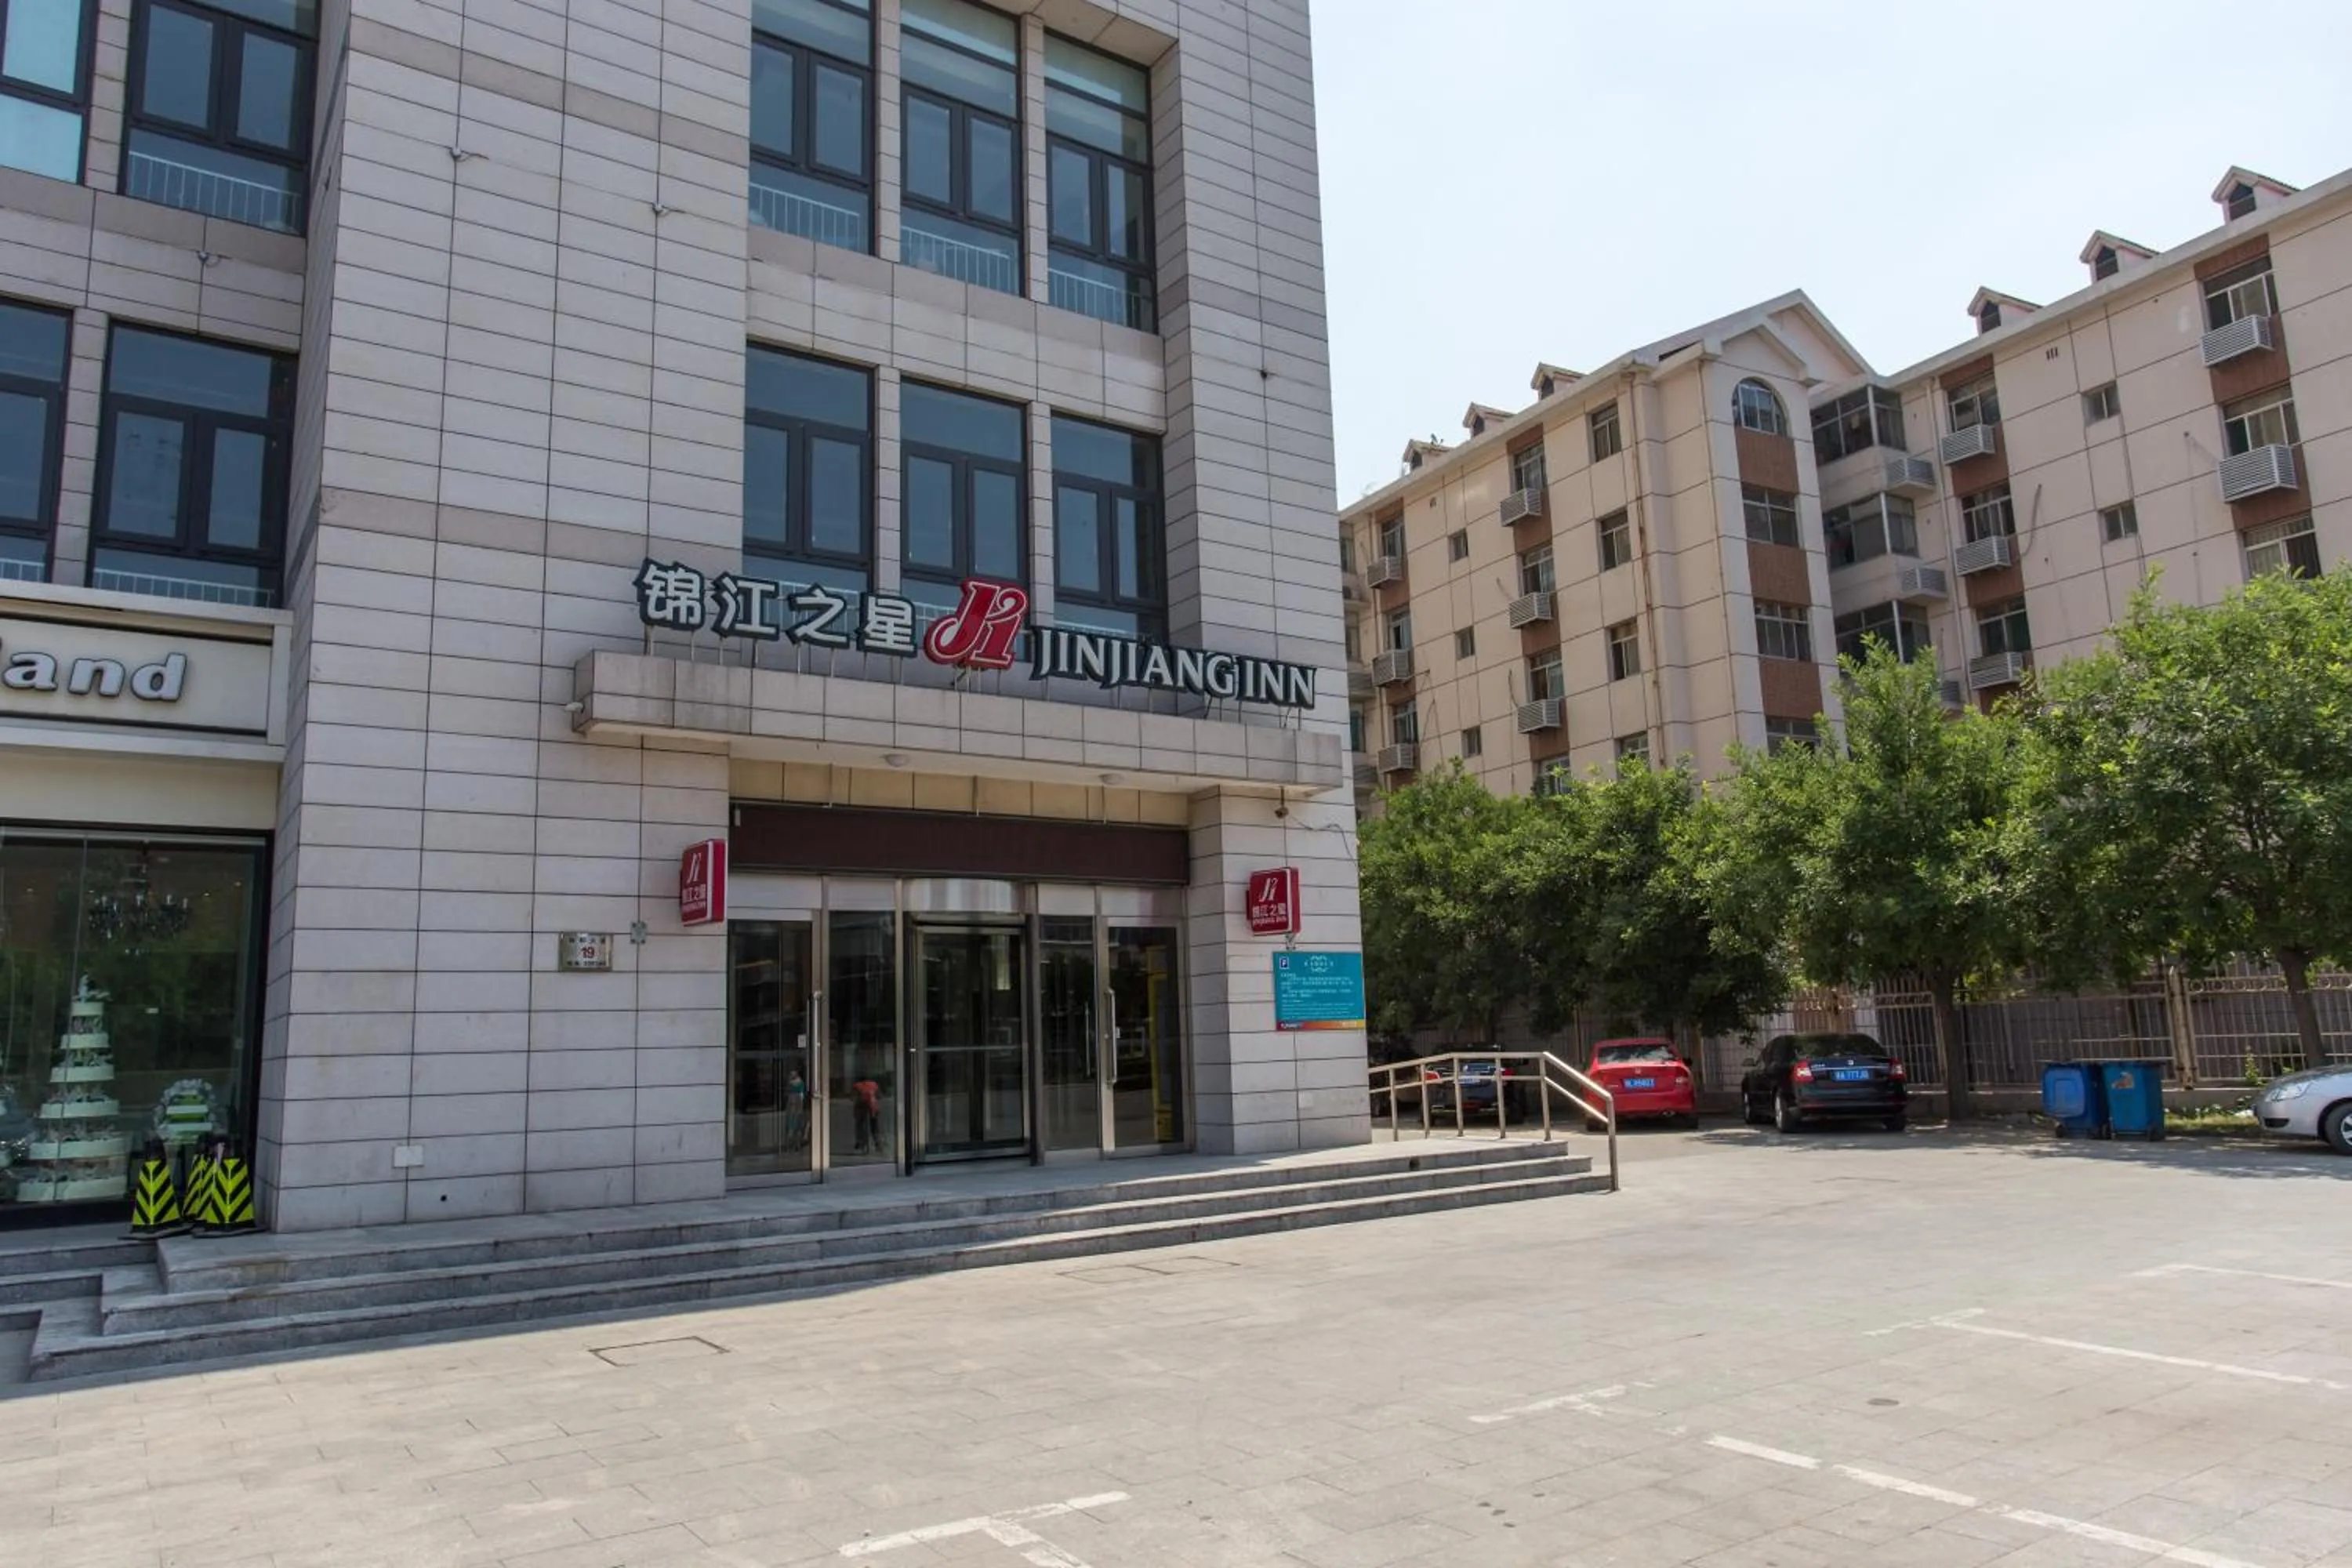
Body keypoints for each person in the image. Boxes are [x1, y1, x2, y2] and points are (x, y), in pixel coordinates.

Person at [851, 1073, 884, 1153]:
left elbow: (853, 1097)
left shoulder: (857, 1085)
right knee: (875, 1125)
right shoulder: (874, 1085)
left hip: (861, 1106)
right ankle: (878, 1143)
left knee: (859, 1123)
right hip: (873, 1107)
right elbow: (879, 1095)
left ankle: (859, 1141)